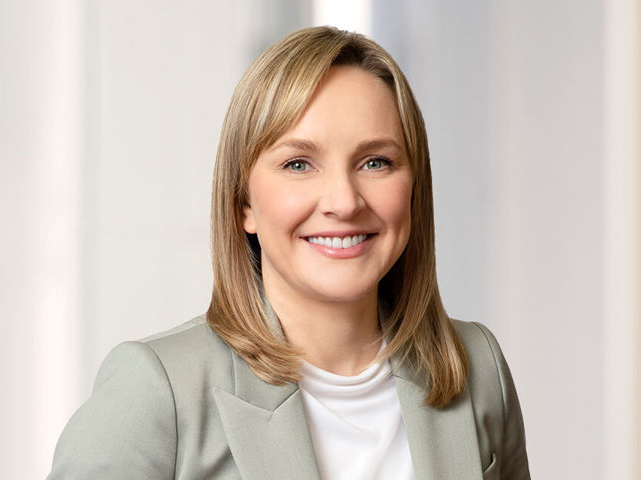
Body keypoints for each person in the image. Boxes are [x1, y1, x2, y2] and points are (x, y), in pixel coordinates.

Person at [47, 26, 529, 480]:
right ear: (244, 204)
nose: (344, 202)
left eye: (375, 162)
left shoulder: (478, 367)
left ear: (414, 187)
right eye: (299, 164)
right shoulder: (158, 391)